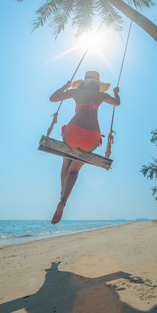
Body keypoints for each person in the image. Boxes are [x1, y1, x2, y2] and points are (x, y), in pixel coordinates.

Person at [49, 71, 120, 224]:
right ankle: (64, 199)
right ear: (98, 84)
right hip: (92, 137)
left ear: (83, 82)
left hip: (73, 132)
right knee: (73, 170)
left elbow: (52, 98)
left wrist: (65, 86)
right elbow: (117, 103)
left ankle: (62, 195)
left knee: (66, 164)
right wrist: (115, 92)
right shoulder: (101, 96)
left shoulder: (76, 92)